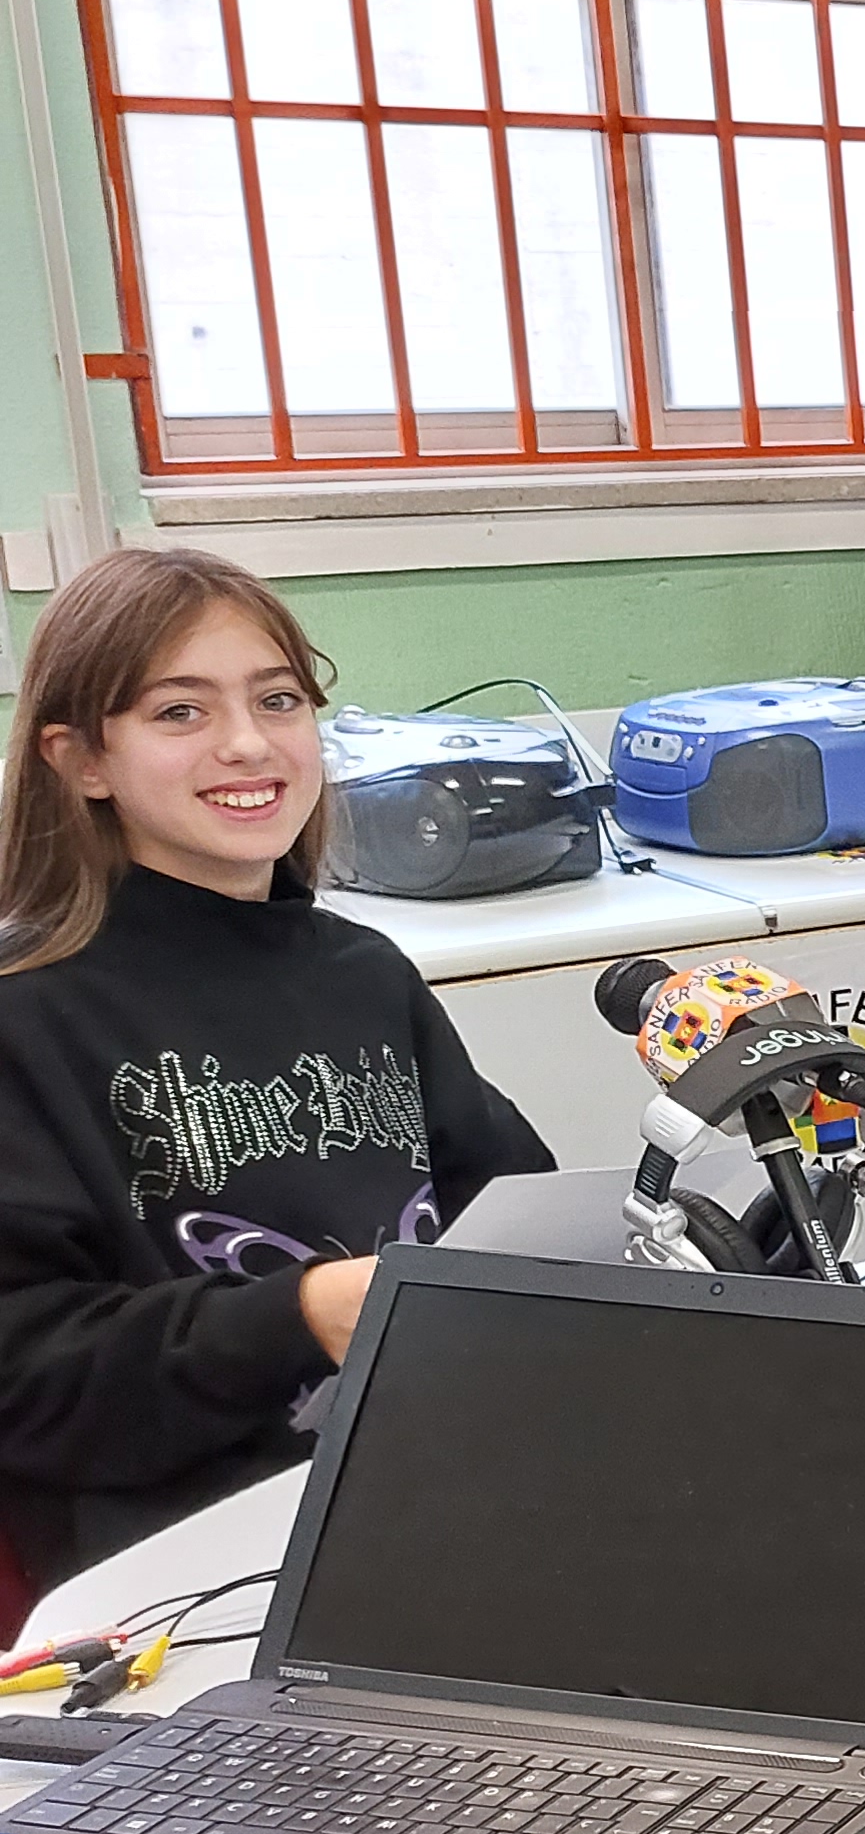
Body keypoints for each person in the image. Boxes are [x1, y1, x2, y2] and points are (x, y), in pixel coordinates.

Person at [0, 546, 550, 1585]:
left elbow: (517, 1220)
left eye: (279, 699)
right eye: (179, 713)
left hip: (428, 1493)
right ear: (81, 761)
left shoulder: (362, 972)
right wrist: (298, 1314)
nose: (249, 745)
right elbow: (25, 1379)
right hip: (183, 1569)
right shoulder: (27, 1011)